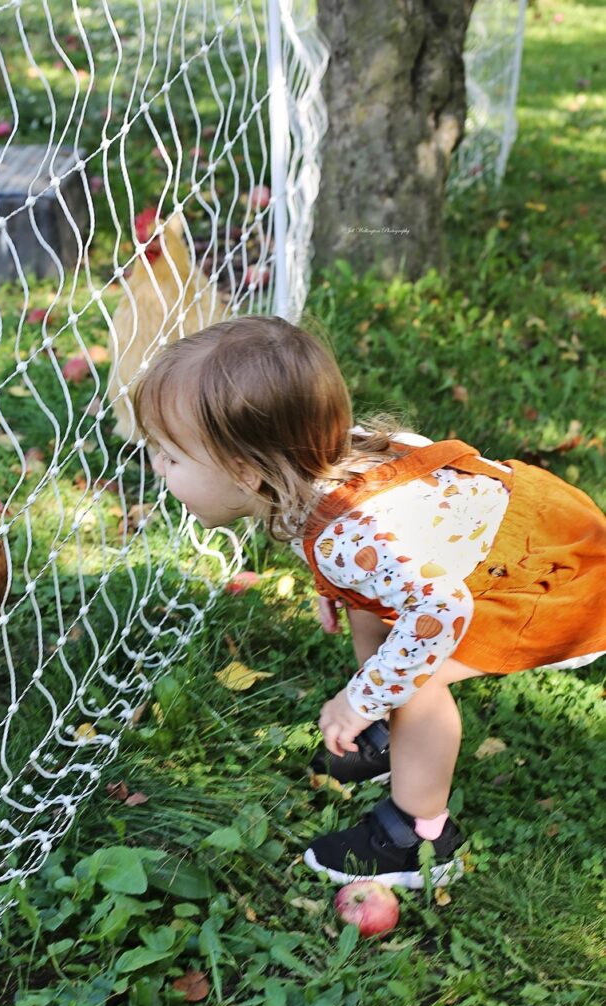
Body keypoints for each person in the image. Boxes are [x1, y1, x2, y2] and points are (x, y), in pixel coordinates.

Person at [131, 315, 606, 889]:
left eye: (171, 458)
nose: (158, 468)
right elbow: (403, 544)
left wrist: (363, 698)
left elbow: (438, 613)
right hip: (530, 537)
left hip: (559, 583)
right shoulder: (329, 465)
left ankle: (419, 834)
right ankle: (390, 738)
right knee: (382, 628)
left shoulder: (349, 537)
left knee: (415, 682)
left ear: (245, 472)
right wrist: (346, 589)